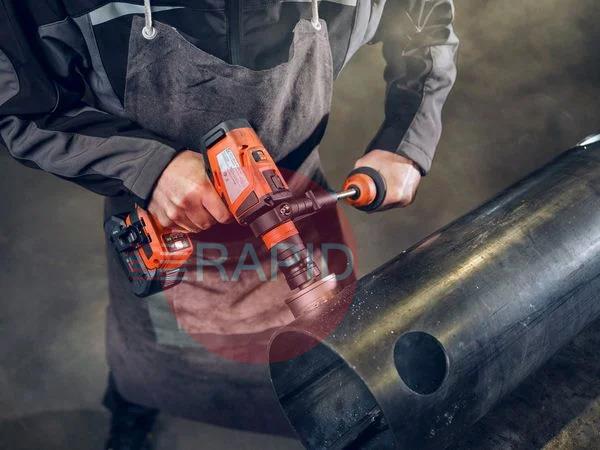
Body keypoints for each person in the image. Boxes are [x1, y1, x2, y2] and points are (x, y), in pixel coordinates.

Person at [0, 0, 458, 448]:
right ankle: (132, 413)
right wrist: (146, 166)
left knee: (335, 377)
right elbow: (16, 104)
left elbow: (423, 19)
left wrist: (405, 140)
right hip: (160, 223)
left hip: (299, 209)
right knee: (148, 371)